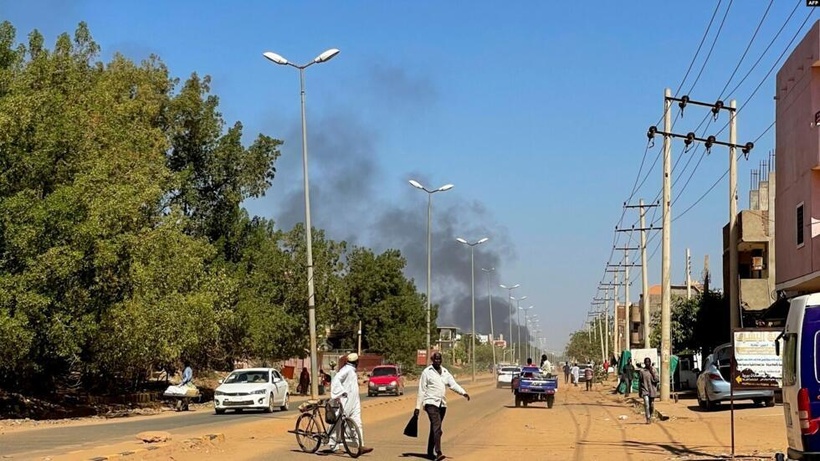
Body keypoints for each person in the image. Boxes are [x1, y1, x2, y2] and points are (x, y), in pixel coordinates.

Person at [415, 351, 470, 461]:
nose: (437, 361)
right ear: (432, 360)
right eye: (435, 359)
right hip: (430, 403)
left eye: (439, 359)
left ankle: (429, 452)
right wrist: (417, 407)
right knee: (437, 426)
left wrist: (463, 392)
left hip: (442, 404)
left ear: (441, 360)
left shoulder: (445, 372)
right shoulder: (427, 372)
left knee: (435, 428)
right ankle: (438, 452)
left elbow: (453, 384)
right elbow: (422, 390)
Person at [326, 353, 374, 455]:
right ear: (356, 362)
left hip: (354, 402)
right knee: (338, 423)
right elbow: (336, 380)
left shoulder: (352, 371)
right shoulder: (346, 370)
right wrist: (340, 393)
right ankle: (333, 446)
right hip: (344, 402)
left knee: (357, 423)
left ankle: (360, 445)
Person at [638, 357, 659, 424]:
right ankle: (648, 418)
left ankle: (651, 413)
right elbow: (640, 381)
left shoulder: (654, 370)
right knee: (646, 404)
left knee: (651, 405)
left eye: (648, 362)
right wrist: (640, 391)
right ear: (644, 363)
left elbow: (657, 380)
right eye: (646, 362)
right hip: (645, 390)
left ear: (650, 362)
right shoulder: (642, 371)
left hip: (652, 390)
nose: (647, 363)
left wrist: (652, 372)